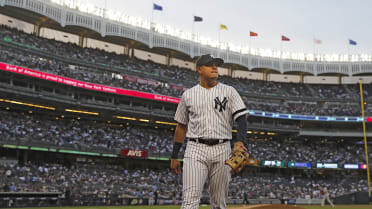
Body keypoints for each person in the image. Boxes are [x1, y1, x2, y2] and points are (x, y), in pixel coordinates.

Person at [170, 54, 249, 209]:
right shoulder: (188, 94)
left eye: (216, 65)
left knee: (219, 203)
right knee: (189, 201)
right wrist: (174, 155)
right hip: (195, 149)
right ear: (199, 69)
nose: (214, 67)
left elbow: (242, 118)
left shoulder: (229, 91)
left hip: (222, 148)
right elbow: (181, 126)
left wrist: (240, 141)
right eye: (209, 64)